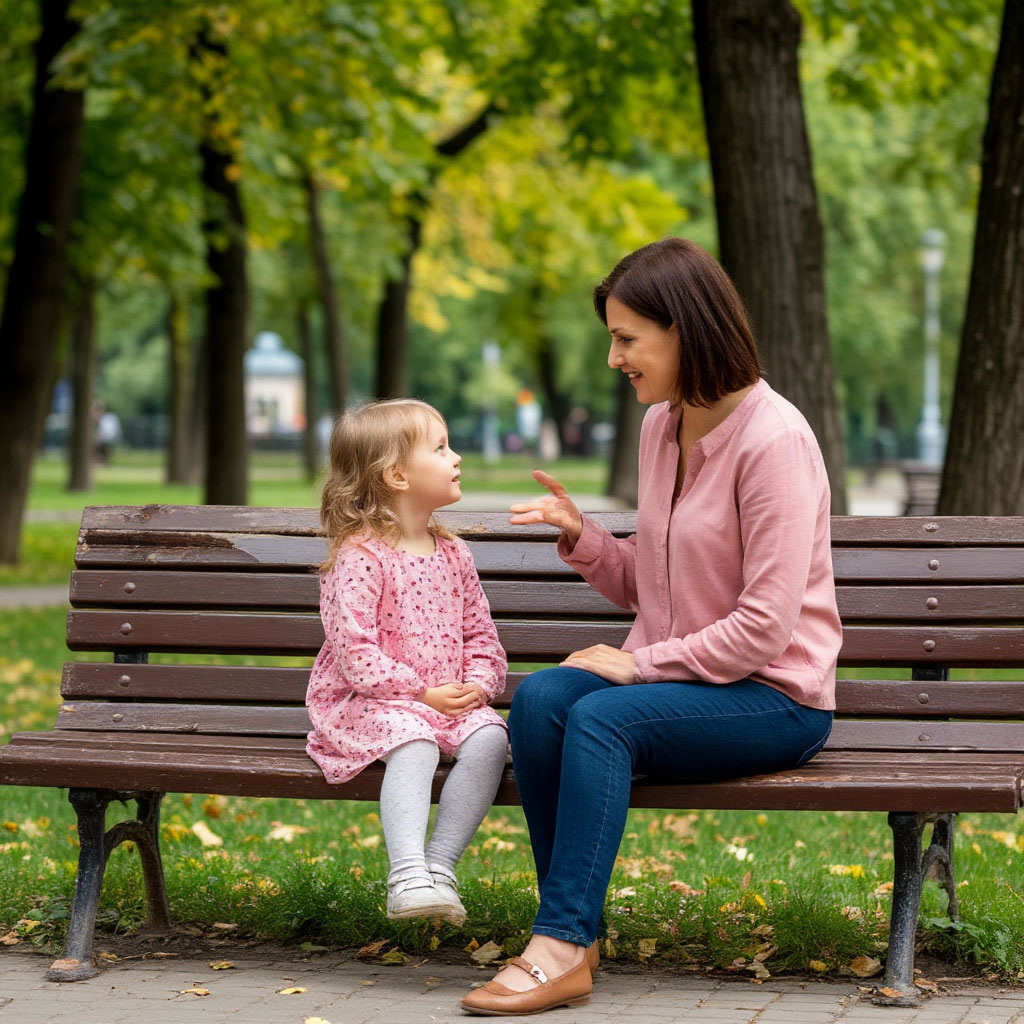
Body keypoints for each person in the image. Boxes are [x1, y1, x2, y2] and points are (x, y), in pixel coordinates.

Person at [460, 238, 842, 1015]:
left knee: (600, 719)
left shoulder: (774, 441)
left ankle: (558, 943)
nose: (614, 358)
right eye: (613, 337)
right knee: (539, 702)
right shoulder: (661, 428)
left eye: (627, 338)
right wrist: (584, 539)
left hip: (774, 697)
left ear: (685, 330)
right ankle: (574, 934)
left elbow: (766, 627)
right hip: (689, 684)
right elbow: (657, 587)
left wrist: (642, 666)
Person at [306, 399, 509, 925]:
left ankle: (439, 870)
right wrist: (420, 694)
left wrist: (480, 686)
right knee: (412, 740)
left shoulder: (453, 553)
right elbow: (355, 654)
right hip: (370, 702)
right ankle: (406, 876)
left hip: (446, 703)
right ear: (396, 474)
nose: (455, 455)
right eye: (440, 448)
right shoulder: (361, 555)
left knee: (491, 738)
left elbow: (480, 633)